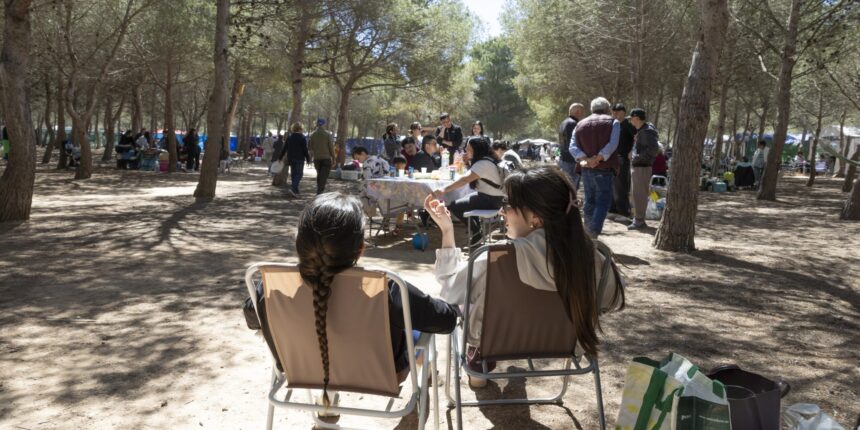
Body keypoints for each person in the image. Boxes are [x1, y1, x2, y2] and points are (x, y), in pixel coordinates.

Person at [425, 166, 625, 387]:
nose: (502, 212)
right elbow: (610, 300)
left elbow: (450, 291)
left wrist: (447, 231)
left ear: (535, 219)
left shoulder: (498, 258)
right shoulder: (595, 258)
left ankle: (479, 364)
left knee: (475, 302)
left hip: (496, 339)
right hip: (563, 343)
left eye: (508, 205)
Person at [289, 192, 458, 407]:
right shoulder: (388, 290)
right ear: (361, 248)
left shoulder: (271, 289)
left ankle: (327, 403)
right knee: (414, 330)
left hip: (306, 372)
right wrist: (447, 231)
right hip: (380, 374)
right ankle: (427, 373)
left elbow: (253, 317)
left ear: (300, 244)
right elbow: (446, 320)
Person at [432, 137, 505, 248]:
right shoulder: (488, 159)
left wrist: (444, 189)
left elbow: (465, 179)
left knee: (455, 207)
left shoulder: (482, 164)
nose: (466, 151)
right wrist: (468, 162)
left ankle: (476, 233)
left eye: (468, 149)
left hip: (491, 199)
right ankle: (477, 231)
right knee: (464, 202)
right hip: (493, 197)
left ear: (476, 150)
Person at [569, 97, 620, 238]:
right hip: (604, 167)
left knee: (589, 200)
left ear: (592, 109)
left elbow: (572, 146)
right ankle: (592, 232)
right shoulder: (613, 122)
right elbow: (613, 144)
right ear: (607, 109)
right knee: (603, 201)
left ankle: (587, 232)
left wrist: (586, 159)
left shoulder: (580, 124)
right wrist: (598, 158)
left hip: (586, 168)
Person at [628, 108, 660, 230]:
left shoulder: (647, 131)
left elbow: (653, 150)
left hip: (642, 167)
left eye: (631, 118)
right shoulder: (643, 130)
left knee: (639, 195)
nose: (630, 121)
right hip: (640, 166)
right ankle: (638, 219)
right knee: (636, 194)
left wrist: (636, 158)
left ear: (636, 118)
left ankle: (639, 220)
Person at [610, 104, 636, 217]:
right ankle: (612, 209)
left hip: (623, 159)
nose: (615, 113)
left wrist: (633, 150)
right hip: (610, 159)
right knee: (611, 185)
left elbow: (637, 137)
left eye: (618, 111)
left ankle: (624, 212)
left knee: (622, 186)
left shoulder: (628, 124)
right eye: (613, 111)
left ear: (624, 113)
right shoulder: (611, 124)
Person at [279, 122, 312, 197]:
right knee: (299, 174)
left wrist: (280, 158)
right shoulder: (302, 138)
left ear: (293, 128)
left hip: (291, 158)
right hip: (299, 159)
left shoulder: (289, 137)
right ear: (301, 129)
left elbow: (284, 148)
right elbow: (305, 150)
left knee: (293, 174)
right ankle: (293, 188)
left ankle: (296, 191)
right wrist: (308, 159)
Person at [558, 103, 585, 190]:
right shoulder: (573, 123)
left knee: (566, 186)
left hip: (564, 159)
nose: (582, 114)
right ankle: (571, 203)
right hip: (571, 161)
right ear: (577, 112)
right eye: (581, 111)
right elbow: (573, 143)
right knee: (572, 188)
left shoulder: (563, 123)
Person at [308, 118, 336, 194]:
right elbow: (331, 147)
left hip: (317, 158)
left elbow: (310, 147)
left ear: (317, 124)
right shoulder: (327, 134)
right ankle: (320, 191)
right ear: (324, 124)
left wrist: (312, 156)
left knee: (319, 174)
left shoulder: (313, 134)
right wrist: (334, 158)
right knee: (324, 175)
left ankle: (319, 189)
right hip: (326, 158)